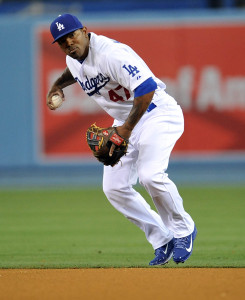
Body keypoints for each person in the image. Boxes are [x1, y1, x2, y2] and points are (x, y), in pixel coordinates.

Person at [47, 14, 197, 265]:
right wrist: (57, 85)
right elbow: (74, 70)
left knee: (150, 175)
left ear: (85, 31)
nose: (69, 43)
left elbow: (146, 88)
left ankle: (183, 230)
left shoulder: (112, 54)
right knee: (114, 188)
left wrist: (125, 131)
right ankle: (163, 238)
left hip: (156, 113)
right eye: (62, 41)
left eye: (72, 35)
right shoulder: (73, 57)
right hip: (126, 120)